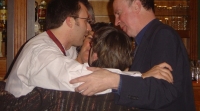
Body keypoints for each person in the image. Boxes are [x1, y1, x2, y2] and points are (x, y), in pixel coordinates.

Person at [5, 0, 172, 99]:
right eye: (86, 21)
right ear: (70, 22)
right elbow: (84, 79)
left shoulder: (66, 49)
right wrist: (142, 77)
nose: (89, 28)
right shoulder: (40, 53)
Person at [70, 0, 195, 111]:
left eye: (118, 13)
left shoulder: (163, 35)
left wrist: (116, 81)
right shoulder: (147, 39)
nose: (116, 22)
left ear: (136, 6)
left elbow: (163, 91)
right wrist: (139, 76)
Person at [1, 24, 172, 111]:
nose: (87, 42)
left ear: (95, 53)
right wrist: (140, 77)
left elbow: (12, 105)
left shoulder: (48, 93)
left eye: (91, 40)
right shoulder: (139, 98)